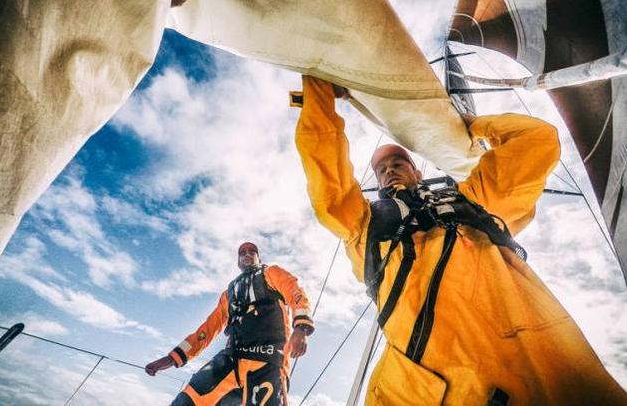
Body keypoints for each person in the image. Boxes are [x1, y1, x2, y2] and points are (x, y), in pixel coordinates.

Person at [293, 75, 627, 405]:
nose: (389, 171)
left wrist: (468, 125)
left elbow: (537, 141)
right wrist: (319, 94)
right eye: (381, 169)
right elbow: (327, 176)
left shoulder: (474, 199)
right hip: (427, 385)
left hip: (532, 366)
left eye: (398, 162)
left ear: (417, 172)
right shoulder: (363, 222)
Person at [145, 242, 314, 406]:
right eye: (242, 252)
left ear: (258, 258)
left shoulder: (272, 273)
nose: (247, 254)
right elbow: (207, 330)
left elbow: (295, 291)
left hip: (266, 362)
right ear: (238, 261)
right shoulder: (229, 293)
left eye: (252, 251)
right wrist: (172, 358)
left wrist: (301, 327)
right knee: (186, 401)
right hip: (229, 360)